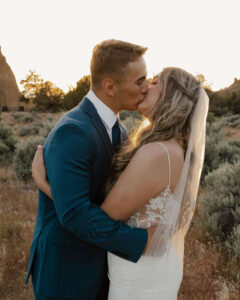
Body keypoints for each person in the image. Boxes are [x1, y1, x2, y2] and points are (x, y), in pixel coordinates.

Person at [33, 67, 209, 299]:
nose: (145, 85)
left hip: (138, 279)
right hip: (153, 269)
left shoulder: (157, 153)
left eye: (156, 82)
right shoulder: (177, 148)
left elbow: (102, 217)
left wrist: (44, 183)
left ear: (172, 96)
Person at [25, 39, 157, 300]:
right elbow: (74, 213)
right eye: (139, 81)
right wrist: (139, 241)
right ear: (110, 86)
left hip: (101, 265)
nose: (145, 88)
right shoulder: (73, 131)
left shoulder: (119, 130)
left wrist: (46, 186)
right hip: (66, 270)